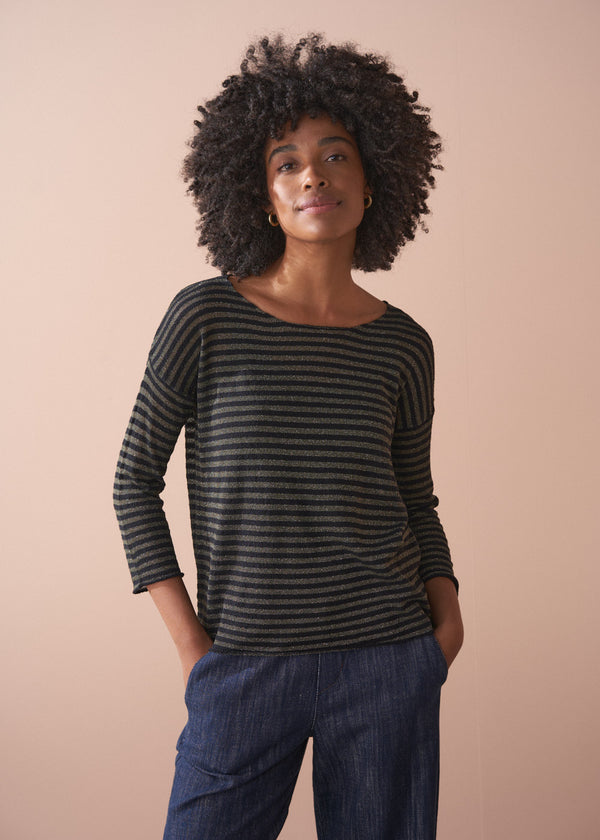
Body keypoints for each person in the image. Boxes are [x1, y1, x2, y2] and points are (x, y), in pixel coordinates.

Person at [114, 33, 463, 840]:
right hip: (242, 667)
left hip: (389, 659)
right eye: (288, 161)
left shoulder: (403, 343)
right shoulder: (203, 317)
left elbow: (417, 495)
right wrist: (194, 650)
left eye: (337, 155)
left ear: (374, 182)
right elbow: (133, 480)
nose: (314, 174)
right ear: (261, 193)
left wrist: (444, 628)